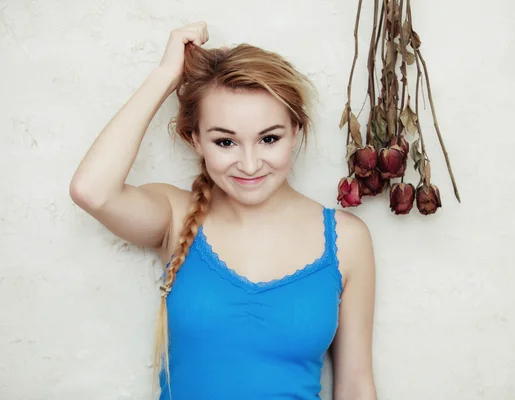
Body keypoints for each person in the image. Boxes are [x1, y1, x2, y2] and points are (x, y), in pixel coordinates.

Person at [69, 21, 376, 400]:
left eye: (268, 138)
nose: (249, 165)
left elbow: (356, 383)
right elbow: (91, 191)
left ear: (296, 131)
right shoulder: (176, 215)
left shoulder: (347, 239)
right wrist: (166, 75)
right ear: (194, 138)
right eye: (226, 141)